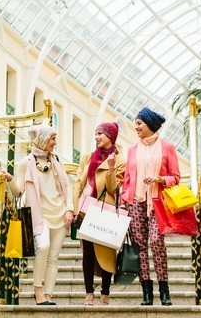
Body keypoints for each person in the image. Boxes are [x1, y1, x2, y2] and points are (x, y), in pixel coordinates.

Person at [4, 124, 74, 305]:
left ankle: (48, 294)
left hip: (60, 214)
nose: (55, 142)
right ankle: (38, 290)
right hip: (39, 216)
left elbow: (67, 185)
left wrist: (69, 209)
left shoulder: (56, 159)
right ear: (42, 139)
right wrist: (10, 180)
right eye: (52, 138)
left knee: (54, 257)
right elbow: (19, 192)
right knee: (43, 248)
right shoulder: (25, 163)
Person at [120, 107, 181, 306]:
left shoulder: (167, 147)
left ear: (149, 124)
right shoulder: (132, 150)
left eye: (139, 123)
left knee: (156, 241)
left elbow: (176, 177)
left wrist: (160, 179)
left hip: (157, 203)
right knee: (140, 248)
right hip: (135, 202)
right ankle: (147, 291)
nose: (136, 127)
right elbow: (127, 180)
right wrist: (123, 202)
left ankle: (165, 290)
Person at [72, 122, 126, 306]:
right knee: (87, 252)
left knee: (106, 251)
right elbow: (78, 183)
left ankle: (105, 292)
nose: (96, 137)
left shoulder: (119, 160)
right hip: (86, 209)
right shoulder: (88, 157)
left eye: (100, 134)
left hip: (105, 210)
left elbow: (113, 189)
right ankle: (89, 293)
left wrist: (110, 168)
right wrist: (74, 208)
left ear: (110, 136)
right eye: (95, 133)